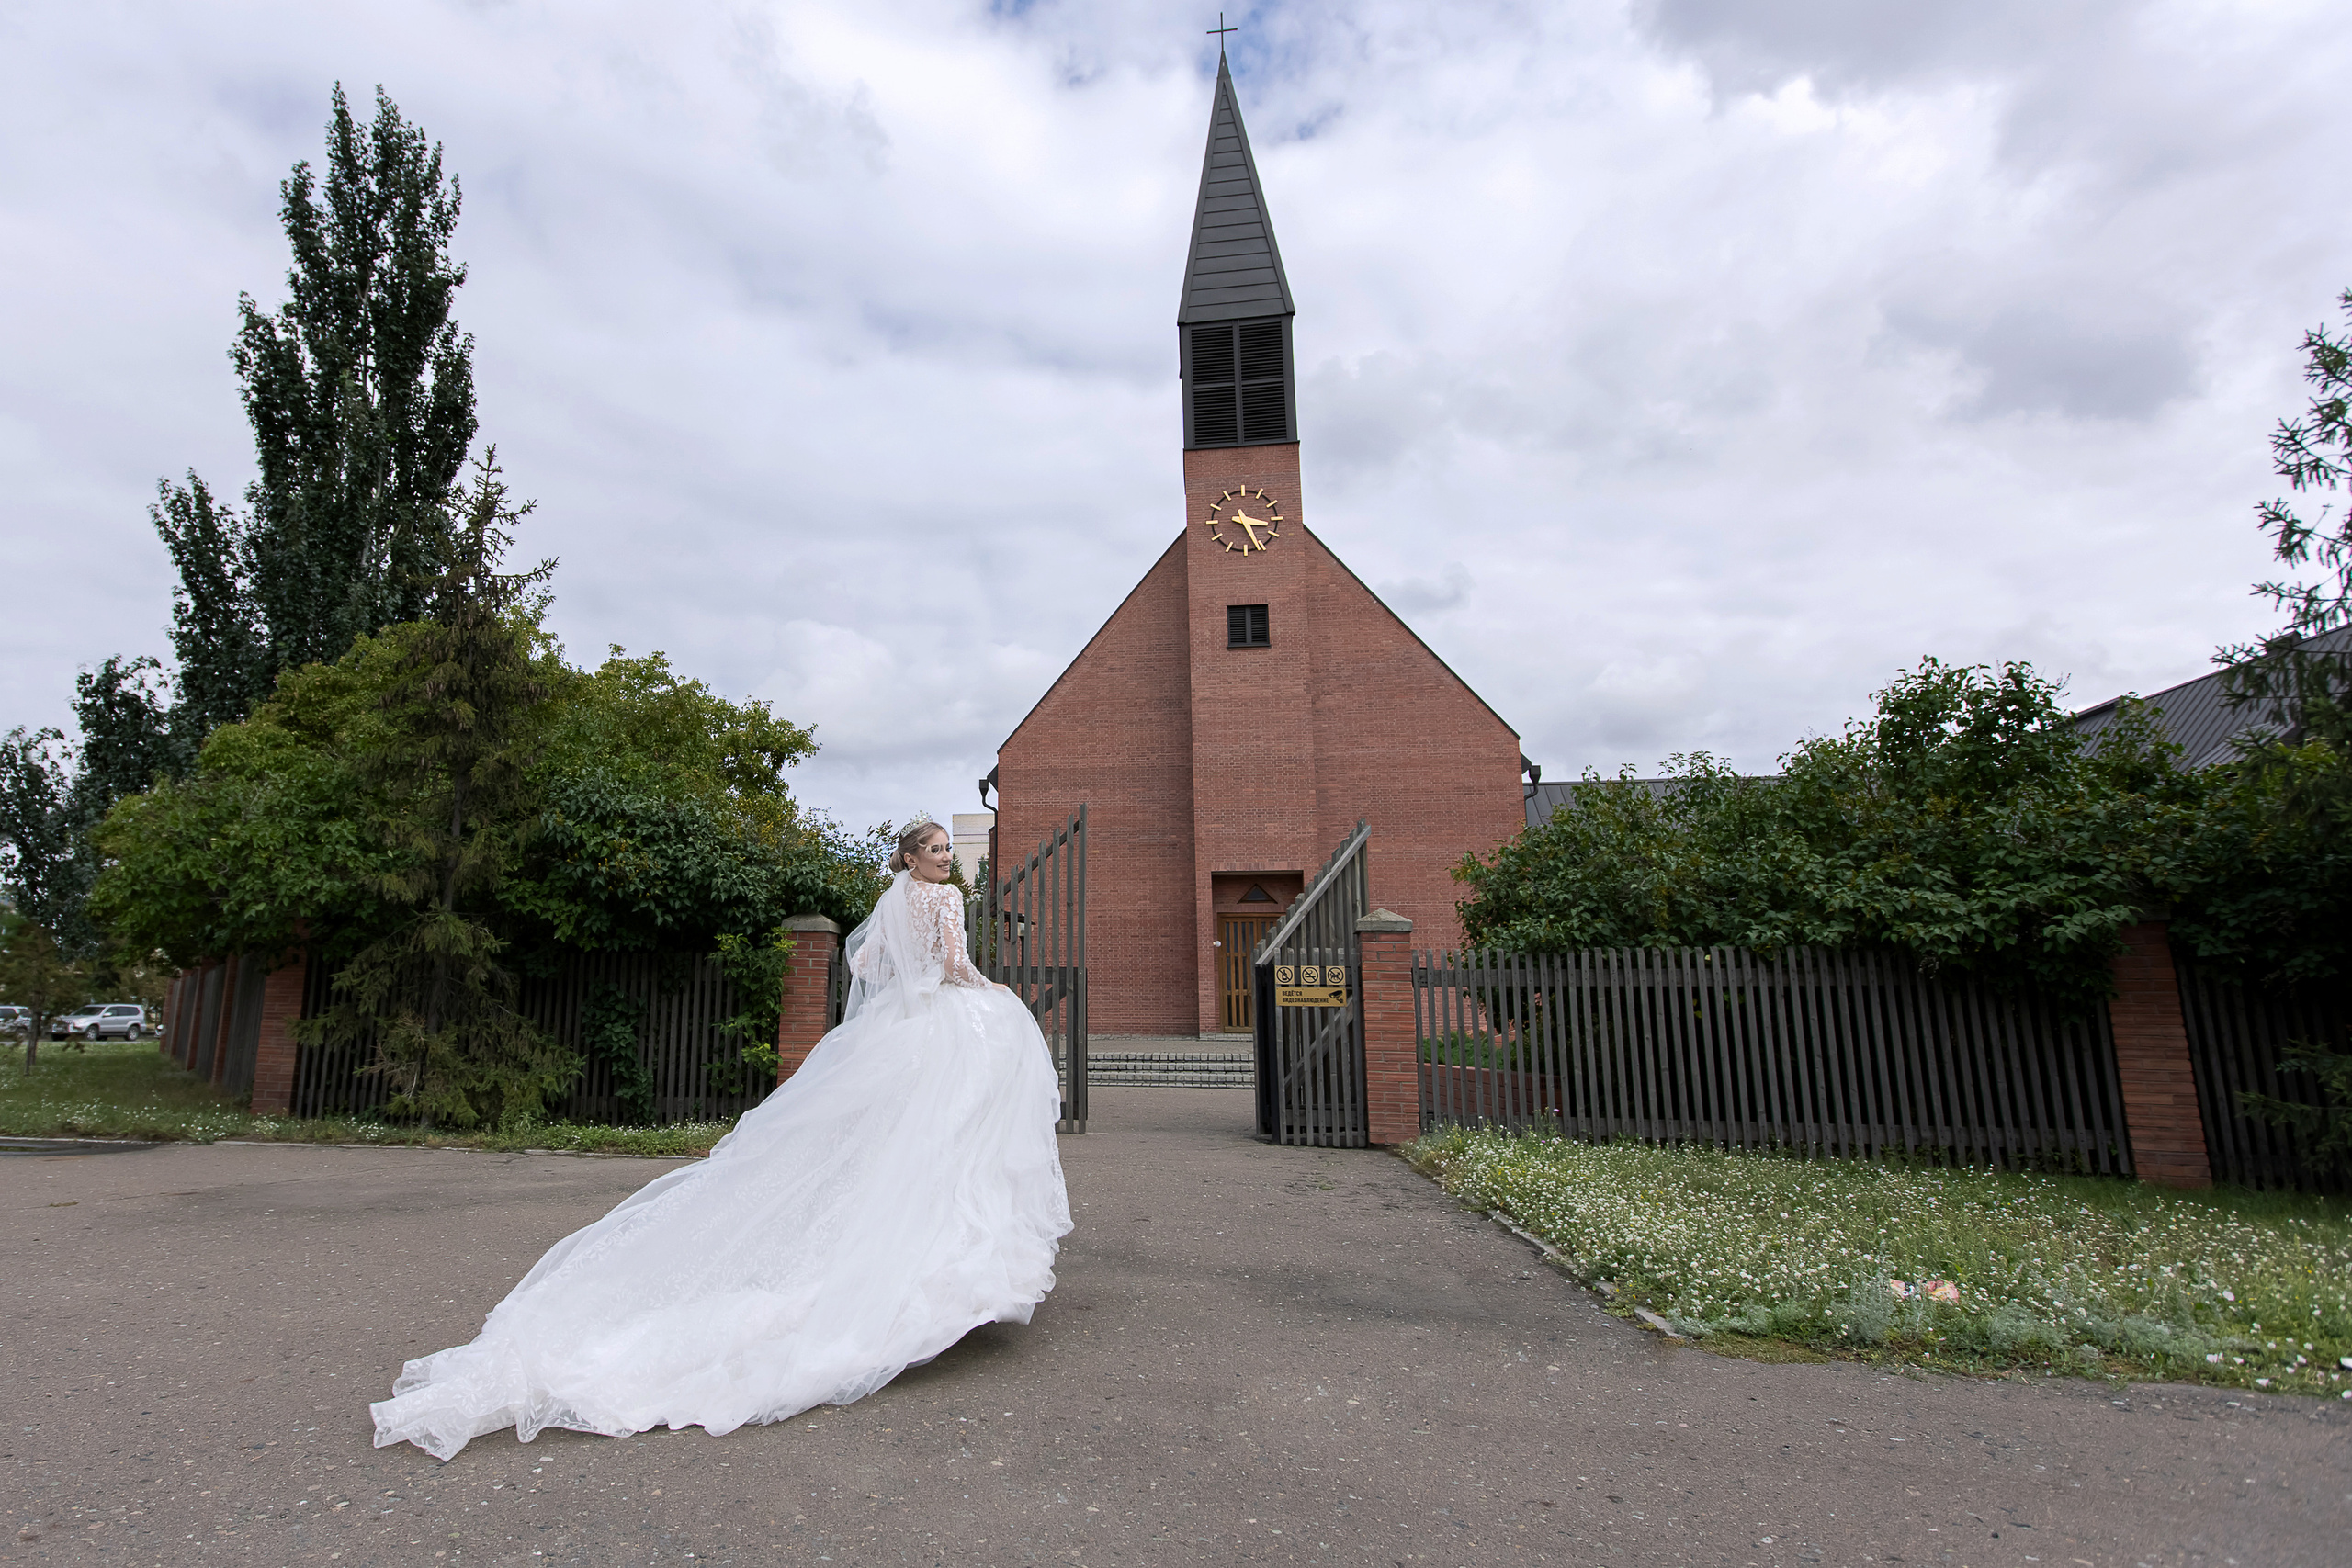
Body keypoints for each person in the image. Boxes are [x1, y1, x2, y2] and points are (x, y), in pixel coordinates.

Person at [370, 822, 1072, 1461]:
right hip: (943, 1027)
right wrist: (991, 992)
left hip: (899, 1031)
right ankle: (935, 1258)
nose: (948, 858)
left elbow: (864, 968)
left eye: (951, 848)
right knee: (945, 1139)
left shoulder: (892, 898)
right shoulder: (946, 903)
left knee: (889, 1143)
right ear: (914, 858)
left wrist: (907, 985)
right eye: (938, 849)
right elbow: (953, 963)